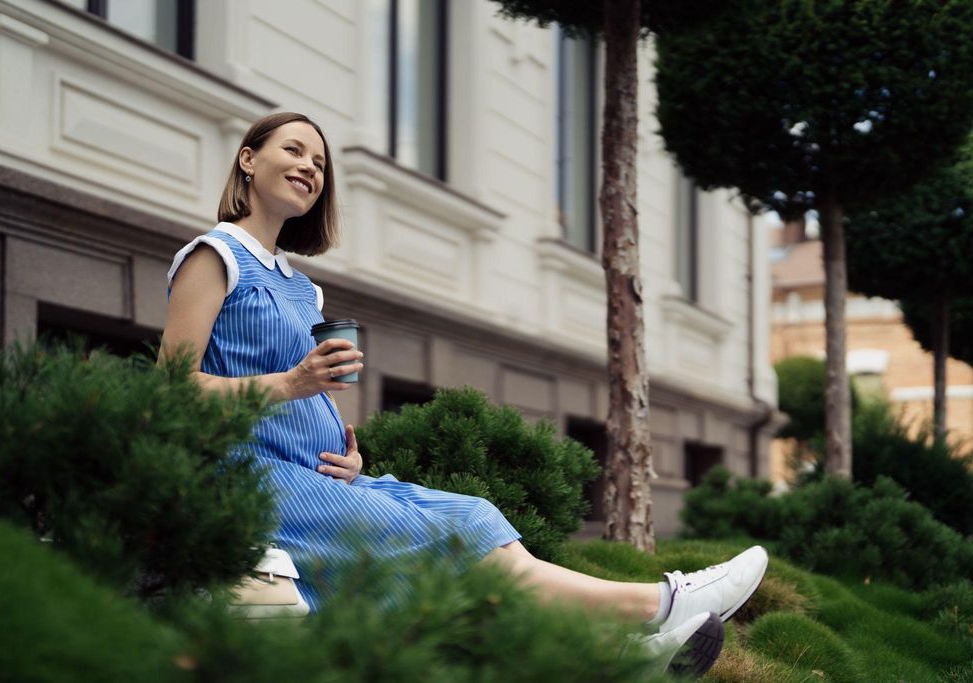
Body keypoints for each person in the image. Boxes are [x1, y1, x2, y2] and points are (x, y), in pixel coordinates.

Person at [159, 112, 768, 676]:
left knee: (472, 518)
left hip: (320, 476)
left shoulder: (301, 288)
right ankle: (659, 604)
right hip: (246, 476)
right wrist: (293, 383)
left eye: (320, 162)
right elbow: (172, 390)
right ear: (246, 160)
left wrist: (347, 450)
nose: (310, 168)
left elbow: (310, 390)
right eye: (293, 150)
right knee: (442, 543)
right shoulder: (215, 257)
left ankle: (618, 653)